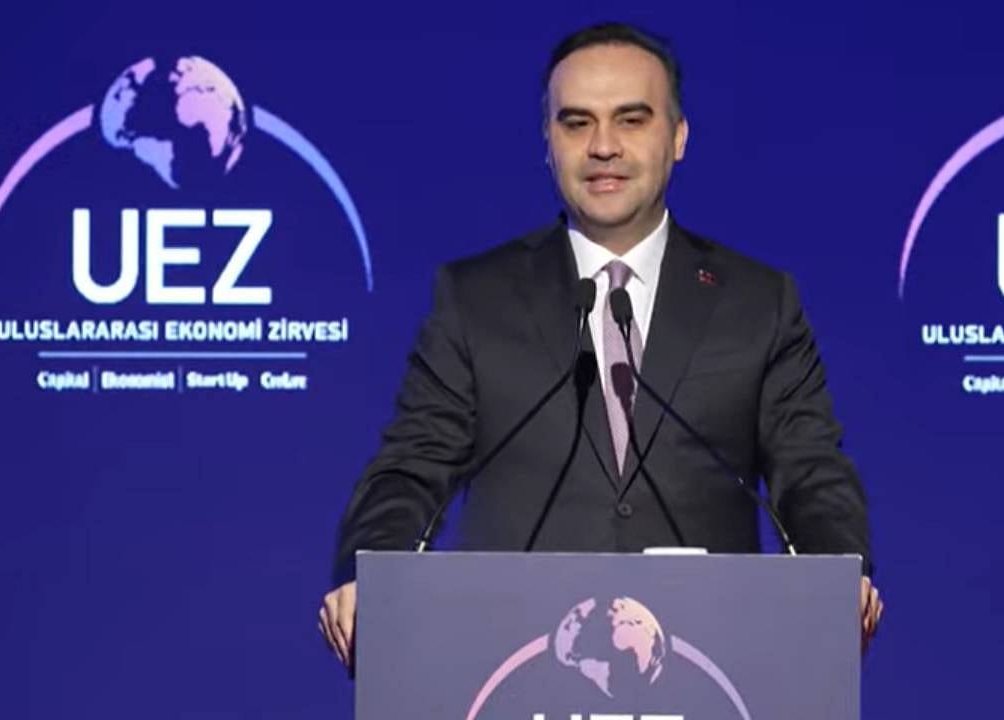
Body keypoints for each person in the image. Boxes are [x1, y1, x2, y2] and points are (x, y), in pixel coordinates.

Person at [318, 21, 883, 671]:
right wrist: (369, 571)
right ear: (548, 142)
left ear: (678, 137)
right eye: (577, 123)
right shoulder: (475, 298)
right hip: (516, 664)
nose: (603, 147)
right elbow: (410, 469)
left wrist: (838, 570)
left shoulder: (758, 301)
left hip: (707, 665)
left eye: (631, 120)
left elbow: (810, 472)